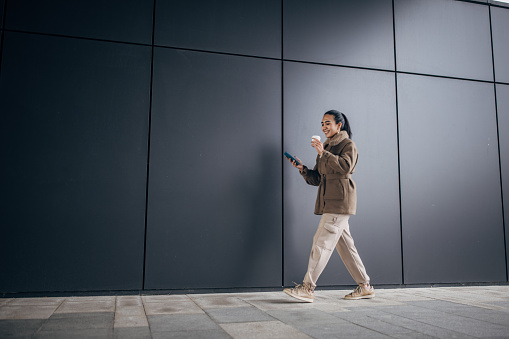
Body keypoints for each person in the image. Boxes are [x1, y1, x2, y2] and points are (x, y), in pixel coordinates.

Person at [283, 110, 374, 303]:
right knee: (346, 246)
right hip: (329, 200)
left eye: (328, 123)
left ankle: (308, 288)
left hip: (339, 201)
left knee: (321, 243)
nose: (324, 127)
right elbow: (317, 178)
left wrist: (323, 153)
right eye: (322, 124)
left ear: (339, 125)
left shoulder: (347, 144)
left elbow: (346, 167)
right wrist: (302, 169)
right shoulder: (325, 146)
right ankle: (365, 286)